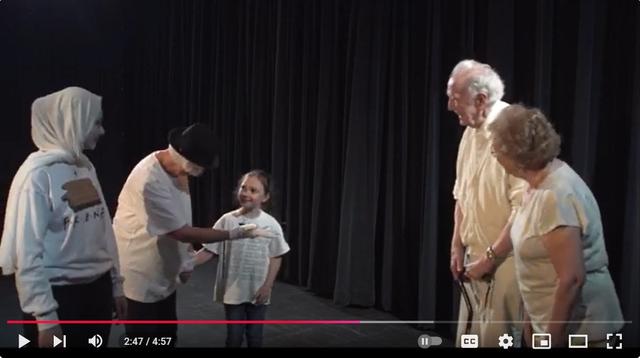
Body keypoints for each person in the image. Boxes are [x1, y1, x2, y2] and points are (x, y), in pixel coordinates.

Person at [113, 123, 274, 346]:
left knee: (167, 334)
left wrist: (186, 260)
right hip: (141, 267)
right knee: (143, 336)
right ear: (188, 161)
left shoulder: (177, 168)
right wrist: (234, 234)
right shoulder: (150, 180)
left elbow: (182, 218)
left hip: (164, 264)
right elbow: (181, 231)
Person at [488, 104, 624, 347]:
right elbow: (538, 258)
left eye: (496, 148)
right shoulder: (536, 184)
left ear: (516, 153)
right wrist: (532, 319)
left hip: (583, 330)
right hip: (552, 326)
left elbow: (571, 278)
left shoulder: (554, 195)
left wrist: (551, 338)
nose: (493, 153)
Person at [0, 87, 126, 347]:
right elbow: (27, 253)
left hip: (96, 292)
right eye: (97, 122)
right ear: (74, 121)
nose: (102, 131)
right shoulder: (37, 176)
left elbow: (103, 230)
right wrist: (46, 318)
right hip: (60, 299)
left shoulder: (85, 167)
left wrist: (115, 285)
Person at [447, 59, 526, 347]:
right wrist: (457, 244)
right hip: (474, 257)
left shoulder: (515, 131)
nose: (449, 105)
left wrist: (490, 259)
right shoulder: (470, 132)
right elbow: (462, 192)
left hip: (506, 261)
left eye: (455, 98)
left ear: (480, 99)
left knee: (496, 339)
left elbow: (524, 210)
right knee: (468, 338)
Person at [195, 170, 289, 347]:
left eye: (253, 190)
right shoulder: (227, 220)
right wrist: (187, 263)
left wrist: (267, 286)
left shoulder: (271, 224)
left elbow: (276, 255)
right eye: (243, 188)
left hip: (258, 291)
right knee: (234, 338)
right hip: (233, 291)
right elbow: (209, 250)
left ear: (265, 197)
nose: (246, 193)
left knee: (255, 337)